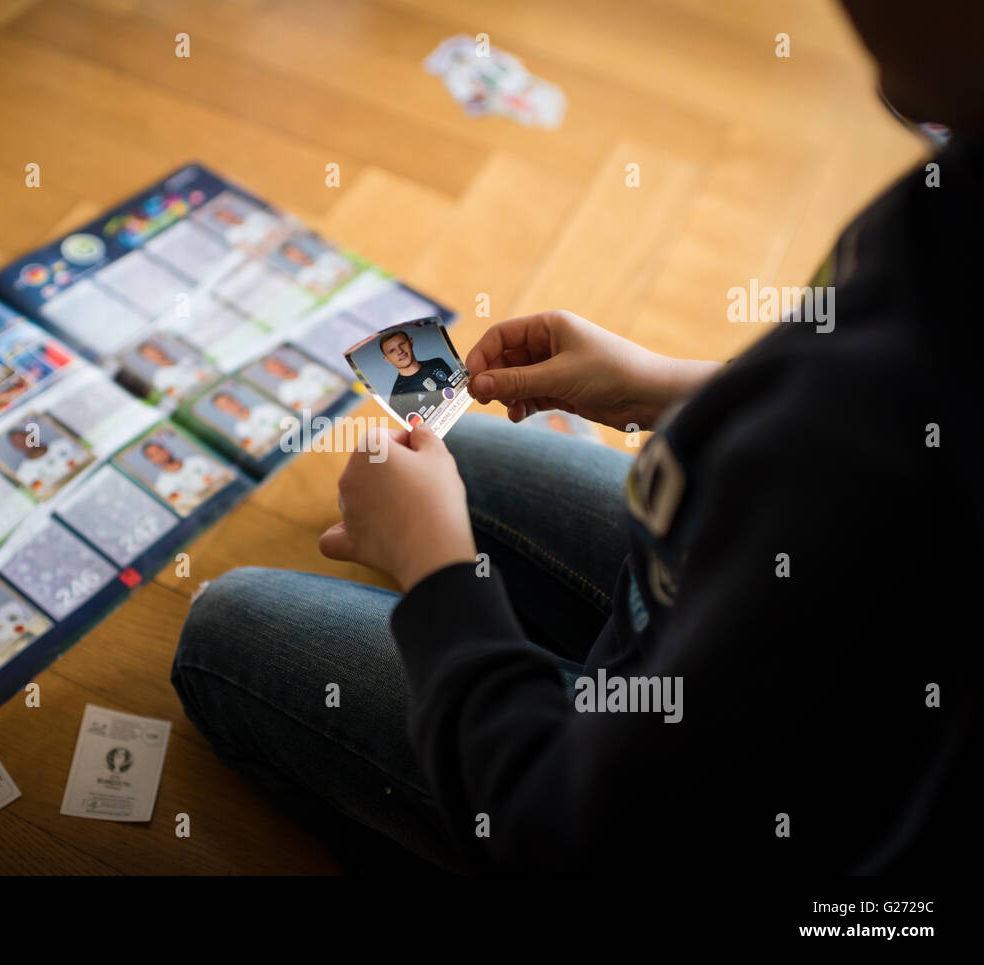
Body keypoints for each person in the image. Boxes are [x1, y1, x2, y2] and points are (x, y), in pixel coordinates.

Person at [171, 0, 981, 874]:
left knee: (221, 632)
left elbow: (570, 829)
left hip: (643, 807)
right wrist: (663, 386)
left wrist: (438, 574)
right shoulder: (956, 171)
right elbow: (834, 403)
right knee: (466, 456)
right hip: (712, 613)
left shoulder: (900, 459)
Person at [379, 330, 456, 424]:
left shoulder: (437, 363)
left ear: (411, 342)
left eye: (402, 344)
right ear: (387, 359)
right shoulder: (397, 399)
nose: (400, 351)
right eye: (392, 351)